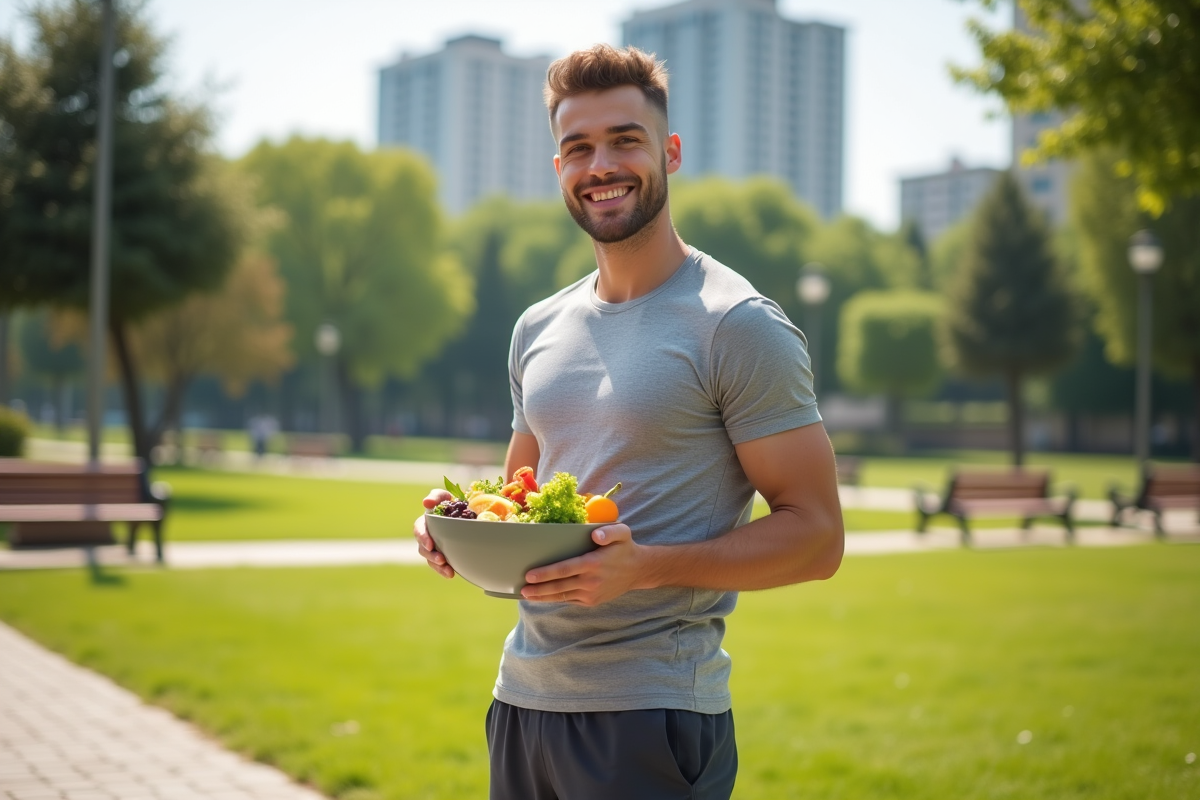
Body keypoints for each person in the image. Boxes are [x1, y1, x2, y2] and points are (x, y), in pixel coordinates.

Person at [413, 44, 844, 800]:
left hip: (652, 714)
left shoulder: (735, 324)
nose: (601, 164)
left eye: (625, 140)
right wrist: (455, 530)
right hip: (523, 699)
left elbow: (817, 536)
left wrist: (646, 566)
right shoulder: (536, 327)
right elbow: (518, 500)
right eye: (579, 147)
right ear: (559, 170)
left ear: (669, 152)